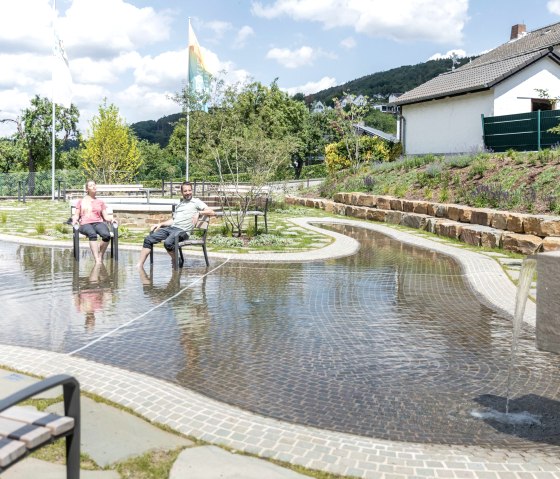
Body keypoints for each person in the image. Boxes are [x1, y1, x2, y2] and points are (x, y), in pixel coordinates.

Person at [136, 181, 216, 268]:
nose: (188, 193)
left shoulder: (196, 202)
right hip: (172, 228)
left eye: (189, 190)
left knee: (168, 243)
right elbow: (173, 220)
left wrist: (199, 213)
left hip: (183, 231)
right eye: (185, 191)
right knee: (148, 239)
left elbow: (212, 212)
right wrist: (160, 224)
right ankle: (139, 265)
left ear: (192, 191)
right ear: (182, 192)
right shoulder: (180, 204)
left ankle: (176, 260)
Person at [72, 180, 115, 263]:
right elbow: (76, 215)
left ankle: (100, 255)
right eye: (91, 185)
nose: (94, 186)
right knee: (92, 234)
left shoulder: (100, 202)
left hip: (98, 222)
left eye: (94, 185)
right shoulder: (81, 201)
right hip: (85, 224)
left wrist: (112, 219)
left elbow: (105, 216)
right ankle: (97, 260)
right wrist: (75, 220)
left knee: (106, 235)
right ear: (87, 189)